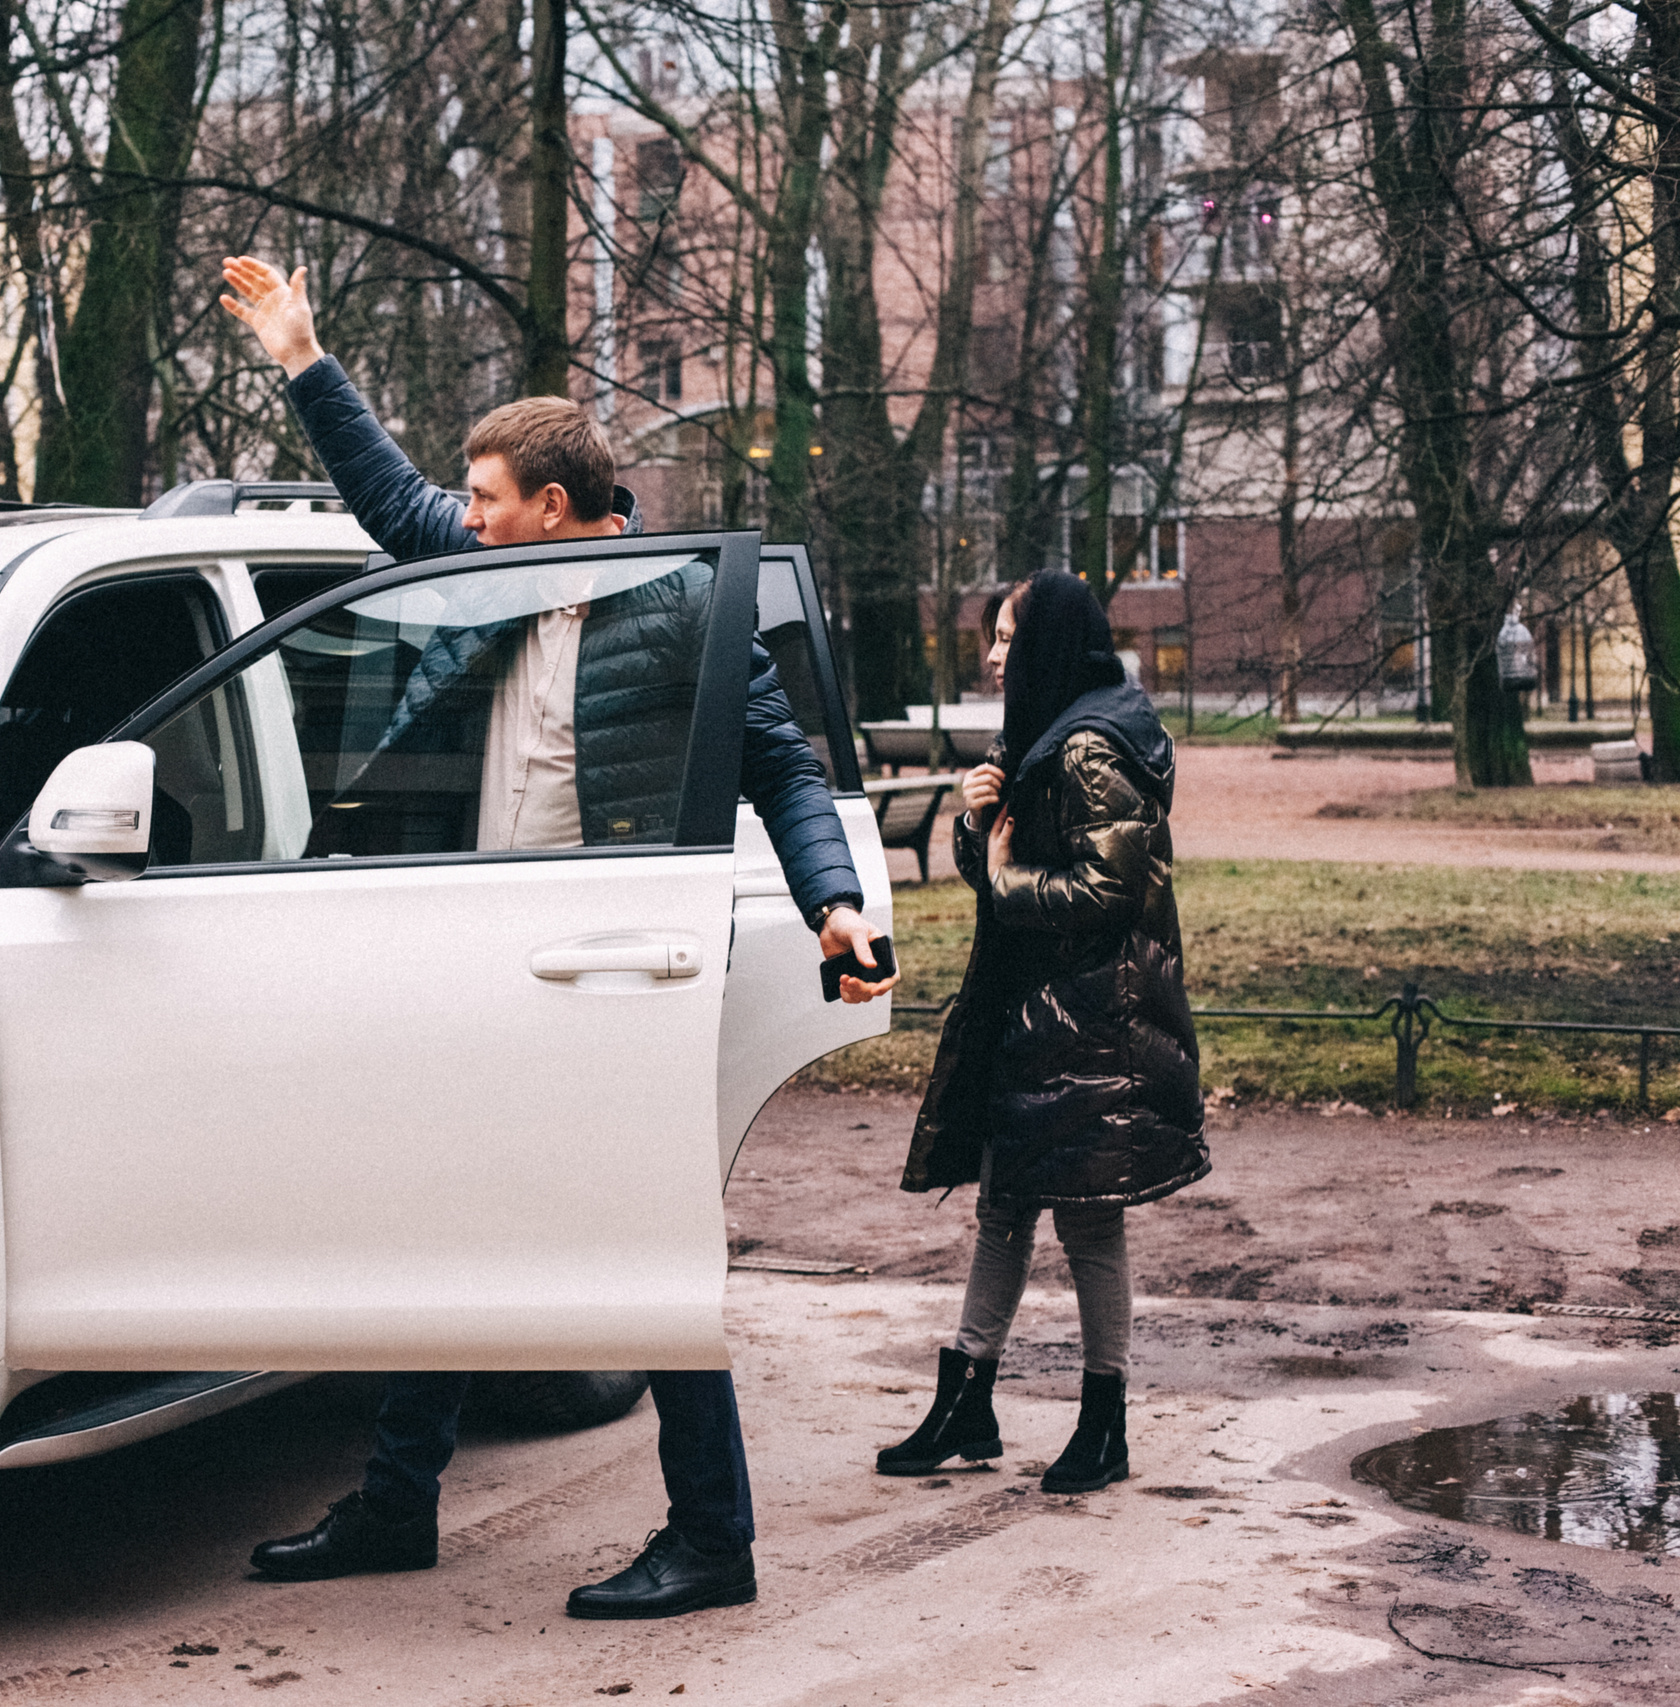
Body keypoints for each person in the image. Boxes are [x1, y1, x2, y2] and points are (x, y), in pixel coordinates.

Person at [219, 253, 895, 1618]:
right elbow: (390, 496)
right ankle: (399, 1503)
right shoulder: (484, 565)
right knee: (448, 1225)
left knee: (644, 1249)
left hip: (606, 968)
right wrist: (302, 353)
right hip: (478, 952)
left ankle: (714, 1537)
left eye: (485, 498)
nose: (461, 518)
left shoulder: (685, 607)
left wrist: (836, 899)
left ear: (558, 510)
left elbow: (782, 764)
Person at [875, 570, 1207, 1493]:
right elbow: (1004, 863)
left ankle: (1105, 1423)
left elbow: (1109, 891)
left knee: (1089, 1224)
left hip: (1091, 1020)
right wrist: (981, 827)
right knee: (1002, 1205)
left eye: (1008, 636)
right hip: (1035, 1013)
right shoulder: (1046, 731)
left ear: (1051, 643)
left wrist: (1004, 866)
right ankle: (965, 1402)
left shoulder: (1093, 747)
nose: (991, 652)